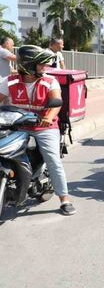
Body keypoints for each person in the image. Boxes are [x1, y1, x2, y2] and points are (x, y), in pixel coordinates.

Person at [0, 45, 76, 215]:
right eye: (40, 64)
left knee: (52, 159)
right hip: (17, 126)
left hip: (43, 127)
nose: (44, 67)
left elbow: (56, 102)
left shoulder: (50, 81)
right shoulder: (9, 81)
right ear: (28, 64)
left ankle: (64, 199)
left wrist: (48, 117)